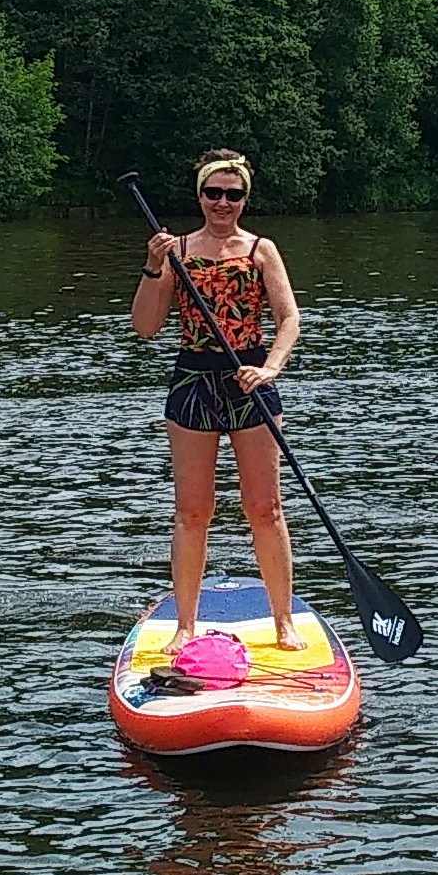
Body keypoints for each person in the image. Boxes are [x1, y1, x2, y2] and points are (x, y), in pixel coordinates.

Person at [132, 151, 305, 652]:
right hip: (193, 383)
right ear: (200, 196)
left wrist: (270, 367)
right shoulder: (177, 252)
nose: (222, 203)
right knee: (192, 511)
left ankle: (283, 621)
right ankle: (186, 624)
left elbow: (289, 319)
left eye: (233, 194)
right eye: (214, 193)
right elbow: (144, 328)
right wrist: (152, 265)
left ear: (244, 198)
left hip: (250, 381)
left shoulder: (260, 251)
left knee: (265, 508)